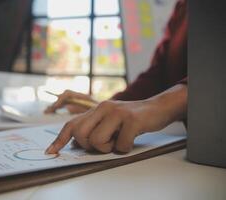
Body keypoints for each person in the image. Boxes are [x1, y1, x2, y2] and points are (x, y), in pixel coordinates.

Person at [45, 0, 187, 154]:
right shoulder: (183, 6)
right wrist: (107, 105)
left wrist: (165, 104)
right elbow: (159, 73)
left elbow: (216, 75)